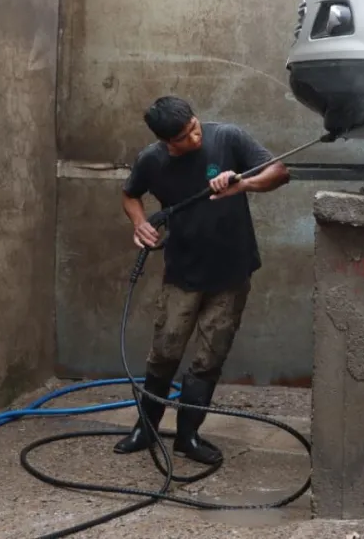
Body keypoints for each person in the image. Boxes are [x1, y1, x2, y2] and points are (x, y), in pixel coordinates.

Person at [115, 95, 290, 464]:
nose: (194, 139)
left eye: (194, 127)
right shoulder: (152, 160)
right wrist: (140, 223)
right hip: (183, 273)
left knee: (209, 358)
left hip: (231, 272)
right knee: (165, 352)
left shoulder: (228, 138)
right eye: (182, 137)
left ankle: (187, 436)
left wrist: (243, 185)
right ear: (166, 141)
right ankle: (145, 428)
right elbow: (130, 195)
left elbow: (280, 172)